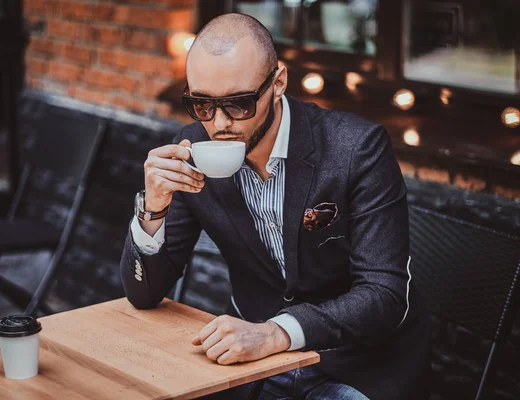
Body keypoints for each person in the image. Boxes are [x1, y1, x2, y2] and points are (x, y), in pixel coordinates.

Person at [120, 13, 431, 400]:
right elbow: (143, 295)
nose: (218, 124)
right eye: (201, 104)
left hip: (354, 364)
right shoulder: (190, 149)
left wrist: (276, 332)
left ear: (278, 82)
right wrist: (153, 207)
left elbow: (384, 294)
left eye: (238, 104)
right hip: (252, 367)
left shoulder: (355, 149)